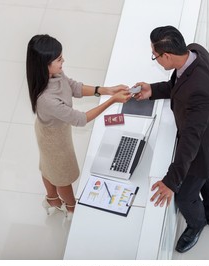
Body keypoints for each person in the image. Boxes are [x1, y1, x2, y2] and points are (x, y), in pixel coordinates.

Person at [134, 26, 209, 253]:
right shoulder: (195, 52)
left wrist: (171, 182)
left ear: (167, 55)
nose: (156, 61)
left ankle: (198, 223)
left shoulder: (199, 91)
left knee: (185, 197)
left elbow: (190, 141)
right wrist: (152, 91)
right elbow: (178, 85)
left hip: (201, 149)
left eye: (155, 56)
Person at [26, 34, 131, 217]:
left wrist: (105, 90)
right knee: (62, 176)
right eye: (59, 59)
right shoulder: (47, 99)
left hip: (53, 130)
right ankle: (71, 206)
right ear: (45, 65)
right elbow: (80, 119)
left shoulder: (54, 73)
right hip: (53, 138)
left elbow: (72, 87)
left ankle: (52, 198)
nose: (63, 60)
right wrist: (112, 100)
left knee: (49, 166)